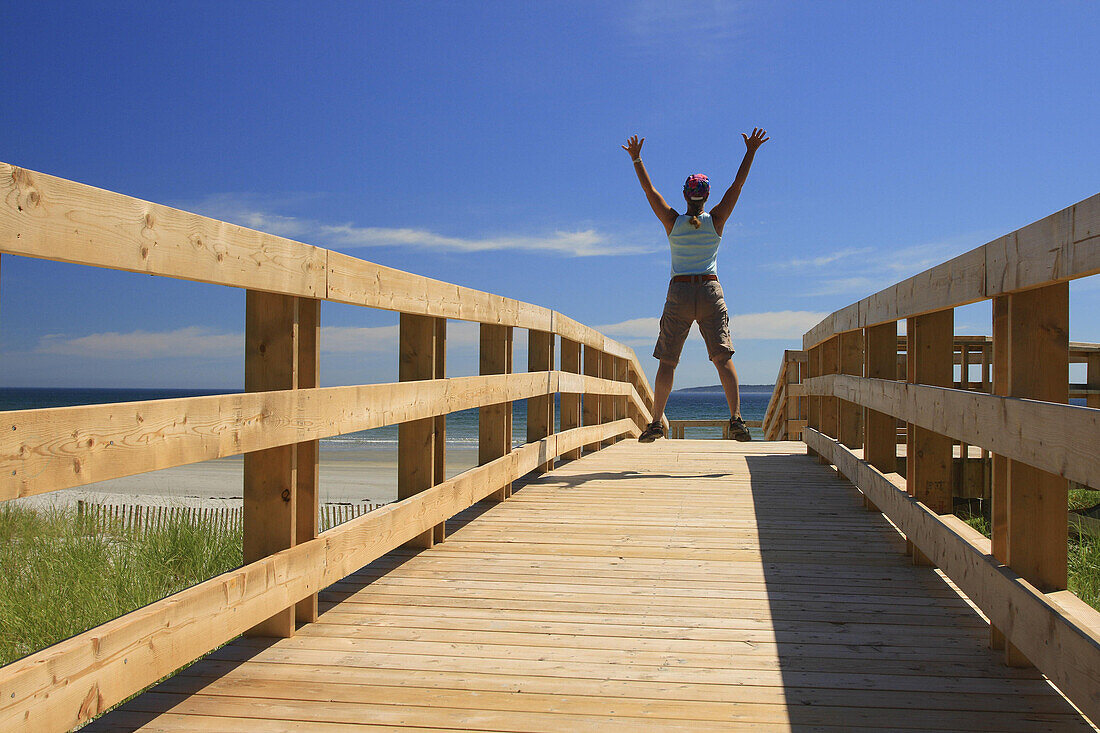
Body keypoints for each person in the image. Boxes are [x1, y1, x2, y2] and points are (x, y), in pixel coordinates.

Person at [622, 128, 769, 443]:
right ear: (707, 195)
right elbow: (737, 185)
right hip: (709, 289)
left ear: (686, 194)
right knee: (722, 357)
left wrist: (637, 159)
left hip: (679, 291)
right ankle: (737, 420)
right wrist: (751, 151)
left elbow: (650, 192)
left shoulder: (672, 222)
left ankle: (656, 423)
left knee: (668, 360)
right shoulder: (716, 220)